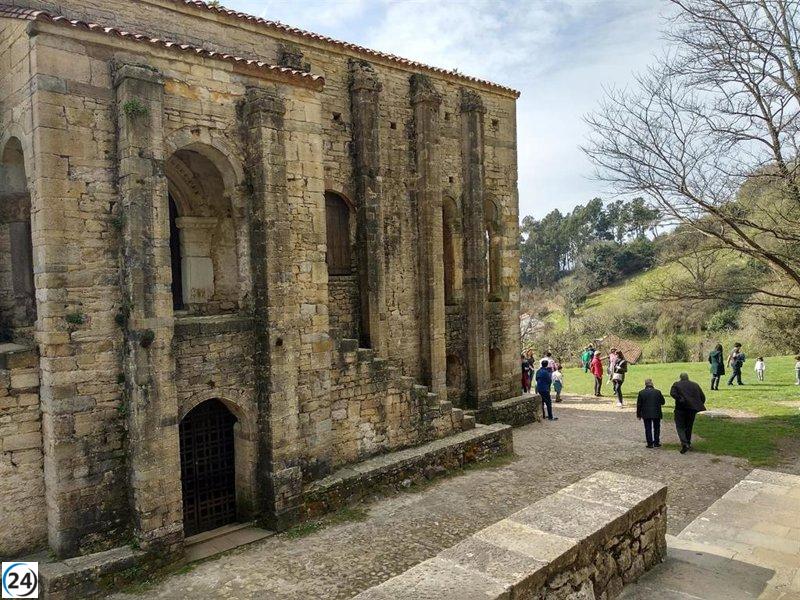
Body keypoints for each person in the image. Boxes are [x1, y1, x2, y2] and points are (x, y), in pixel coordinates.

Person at [670, 372, 707, 454]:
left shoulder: (676, 384)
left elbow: (672, 393)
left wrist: (679, 399)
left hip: (680, 408)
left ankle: (684, 443)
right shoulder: (695, 385)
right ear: (688, 377)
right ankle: (688, 443)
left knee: (680, 426)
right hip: (692, 409)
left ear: (680, 378)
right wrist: (698, 404)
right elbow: (702, 397)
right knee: (689, 426)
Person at [636, 378, 665, 448]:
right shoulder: (658, 392)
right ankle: (656, 442)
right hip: (656, 413)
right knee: (657, 428)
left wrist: (638, 414)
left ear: (645, 384)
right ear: (652, 384)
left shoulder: (641, 392)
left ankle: (650, 443)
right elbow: (663, 402)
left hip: (646, 413)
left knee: (648, 428)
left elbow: (639, 405)